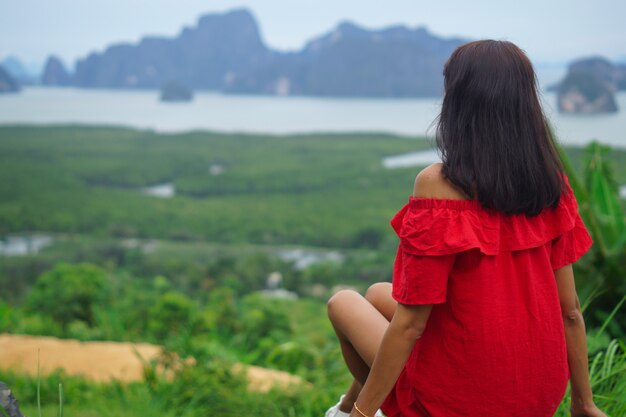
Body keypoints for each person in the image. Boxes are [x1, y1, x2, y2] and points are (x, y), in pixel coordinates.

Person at [325, 40, 607, 417]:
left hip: (460, 401)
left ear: (458, 101)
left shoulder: (438, 185)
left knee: (343, 302)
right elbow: (570, 311)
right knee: (378, 293)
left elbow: (411, 325)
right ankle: (345, 405)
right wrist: (583, 403)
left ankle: (357, 413)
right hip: (537, 394)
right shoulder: (549, 183)